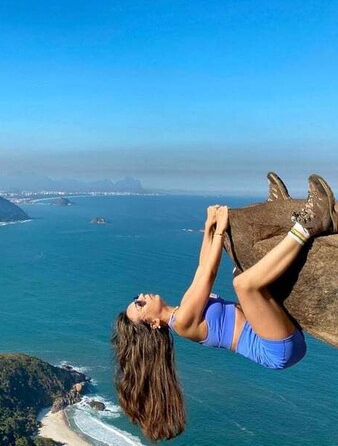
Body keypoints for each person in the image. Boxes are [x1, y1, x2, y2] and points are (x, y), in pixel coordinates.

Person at [110, 174, 337, 442]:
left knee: (240, 269)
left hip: (270, 334)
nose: (142, 296)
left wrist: (208, 227)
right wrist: (219, 228)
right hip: (276, 348)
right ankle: (309, 224)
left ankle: (277, 211)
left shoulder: (182, 310)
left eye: (137, 298)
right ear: (153, 324)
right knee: (244, 284)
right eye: (140, 304)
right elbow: (208, 273)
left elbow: (201, 266)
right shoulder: (182, 322)